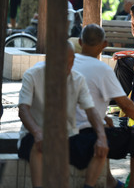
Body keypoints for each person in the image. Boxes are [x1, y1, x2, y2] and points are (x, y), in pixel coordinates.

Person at [72, 24, 134, 188]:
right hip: (86, 136)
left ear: (80, 41)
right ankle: (133, 186)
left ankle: (110, 181)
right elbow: (126, 105)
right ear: (104, 44)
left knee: (107, 125)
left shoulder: (68, 64)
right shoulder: (101, 69)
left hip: (63, 131)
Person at [18, 42, 109, 188]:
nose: (68, 67)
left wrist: (102, 136)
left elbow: (91, 110)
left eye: (71, 61)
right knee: (41, 144)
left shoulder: (77, 79)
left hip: (67, 136)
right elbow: (23, 109)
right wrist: (37, 132)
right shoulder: (32, 75)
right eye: (63, 63)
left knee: (100, 145)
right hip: (34, 135)